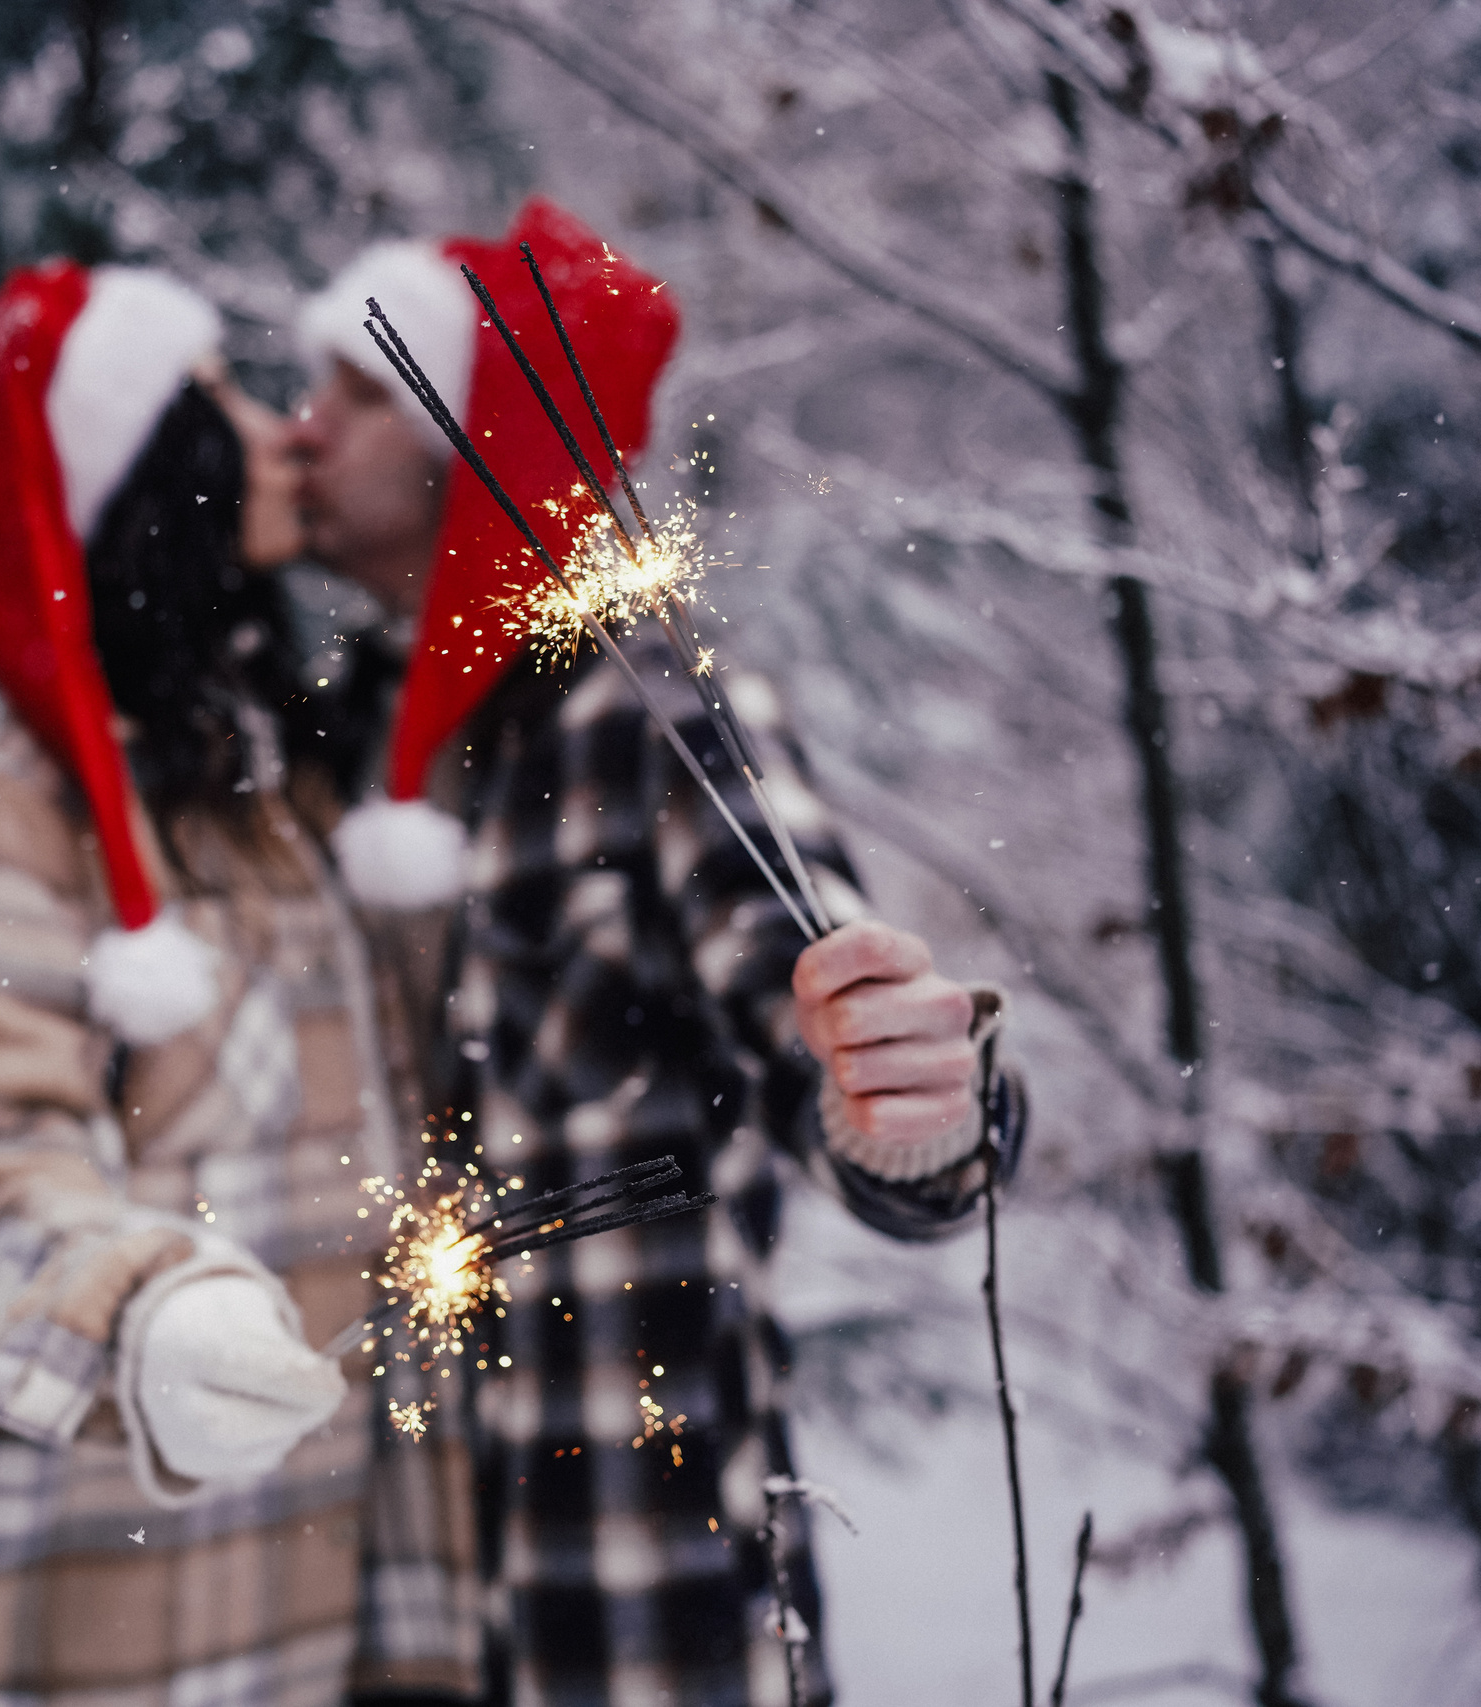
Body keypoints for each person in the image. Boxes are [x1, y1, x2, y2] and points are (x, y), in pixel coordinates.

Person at [293, 200, 1029, 1706]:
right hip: (404, 1601)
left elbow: (850, 1045)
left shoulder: (652, 712)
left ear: (462, 437)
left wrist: (923, 1109)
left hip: (639, 1595)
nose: (306, 432)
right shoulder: (350, 741)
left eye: (357, 392)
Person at [0, 262, 484, 1707]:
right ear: (147, 485)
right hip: (108, 1585)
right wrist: (147, 1305)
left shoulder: (269, 770)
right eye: (223, 409)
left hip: (315, 1572)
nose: (281, 434)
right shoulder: (21, 794)